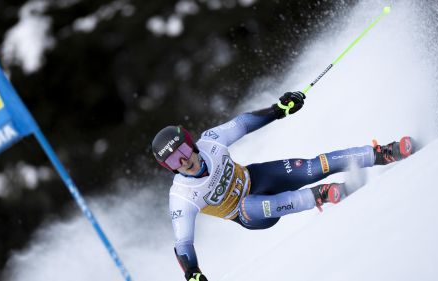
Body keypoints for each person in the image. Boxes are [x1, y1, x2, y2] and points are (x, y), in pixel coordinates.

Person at [151, 91, 414, 281]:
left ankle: (382, 153)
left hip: (260, 177)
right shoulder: (182, 196)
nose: (183, 160)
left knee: (313, 166)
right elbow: (182, 243)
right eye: (173, 160)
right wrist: (192, 273)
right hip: (249, 214)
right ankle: (319, 196)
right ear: (170, 168)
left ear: (191, 143)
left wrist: (278, 110)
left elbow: (243, 123)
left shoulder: (212, 141)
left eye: (183, 150)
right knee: (248, 205)